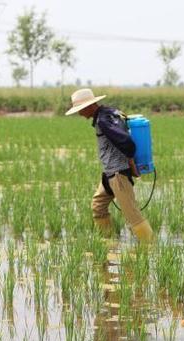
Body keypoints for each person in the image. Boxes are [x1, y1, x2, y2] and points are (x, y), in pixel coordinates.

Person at [65, 88, 154, 242]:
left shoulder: (103, 120)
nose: (79, 114)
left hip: (118, 174)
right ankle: (109, 242)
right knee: (98, 206)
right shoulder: (109, 113)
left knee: (133, 216)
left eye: (80, 110)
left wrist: (128, 161)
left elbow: (126, 142)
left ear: (89, 106)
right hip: (109, 173)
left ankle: (151, 247)